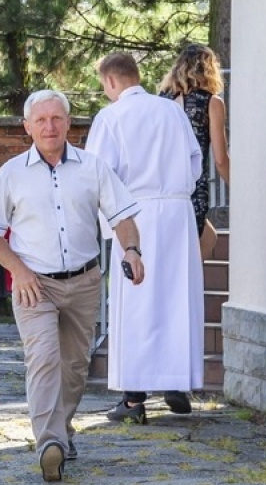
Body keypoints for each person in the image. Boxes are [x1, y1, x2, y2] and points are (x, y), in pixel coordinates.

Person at [0, 89, 143, 482]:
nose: (49, 126)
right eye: (41, 120)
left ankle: (63, 431)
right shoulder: (12, 173)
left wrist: (133, 250)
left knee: (73, 367)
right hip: (34, 283)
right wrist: (18, 271)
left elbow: (121, 216)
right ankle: (49, 442)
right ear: (27, 127)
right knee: (44, 359)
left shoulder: (93, 167)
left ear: (69, 123)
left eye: (57, 119)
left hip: (85, 280)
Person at [86, 52, 204, 423]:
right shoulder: (172, 111)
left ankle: (135, 396)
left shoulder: (111, 116)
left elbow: (99, 174)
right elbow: (194, 161)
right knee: (176, 298)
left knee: (135, 302)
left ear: (110, 81)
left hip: (134, 213)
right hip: (177, 212)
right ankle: (176, 384)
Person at [157, 43, 231, 244]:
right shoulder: (211, 102)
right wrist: (239, 186)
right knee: (192, 251)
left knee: (208, 239)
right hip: (192, 187)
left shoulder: (161, 102)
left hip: (160, 188)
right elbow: (221, 159)